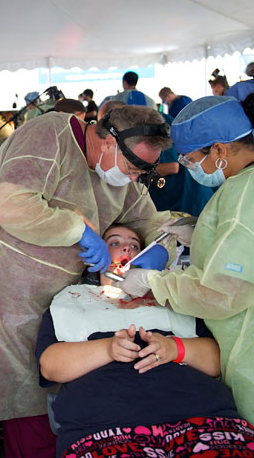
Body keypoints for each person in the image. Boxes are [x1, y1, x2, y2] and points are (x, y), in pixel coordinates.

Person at [0, 106, 173, 458]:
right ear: (107, 142)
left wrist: (157, 247)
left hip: (52, 304)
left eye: (143, 172)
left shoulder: (121, 174)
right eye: (133, 169)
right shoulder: (51, 135)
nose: (135, 179)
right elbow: (11, 203)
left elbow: (146, 217)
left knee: (31, 404)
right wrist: (79, 231)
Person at [38, 225, 254, 458]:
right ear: (95, 254)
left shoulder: (173, 296)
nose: (126, 249)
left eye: (134, 246)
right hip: (105, 429)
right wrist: (108, 349)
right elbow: (50, 366)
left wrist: (176, 348)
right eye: (114, 243)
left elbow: (217, 362)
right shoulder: (71, 301)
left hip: (206, 418)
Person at [118, 96, 254, 423]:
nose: (188, 166)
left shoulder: (242, 198)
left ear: (219, 150)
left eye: (190, 159)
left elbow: (222, 293)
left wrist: (156, 282)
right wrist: (204, 234)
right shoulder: (240, 186)